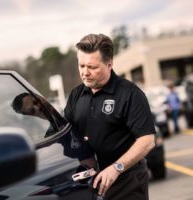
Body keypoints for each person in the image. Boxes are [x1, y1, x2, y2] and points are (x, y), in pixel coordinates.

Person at [64, 33, 156, 200]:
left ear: (109, 64)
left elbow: (147, 141)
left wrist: (116, 167)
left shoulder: (130, 94)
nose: (85, 73)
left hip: (127, 182)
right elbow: (67, 133)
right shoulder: (75, 95)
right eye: (81, 66)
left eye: (92, 67)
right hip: (90, 183)